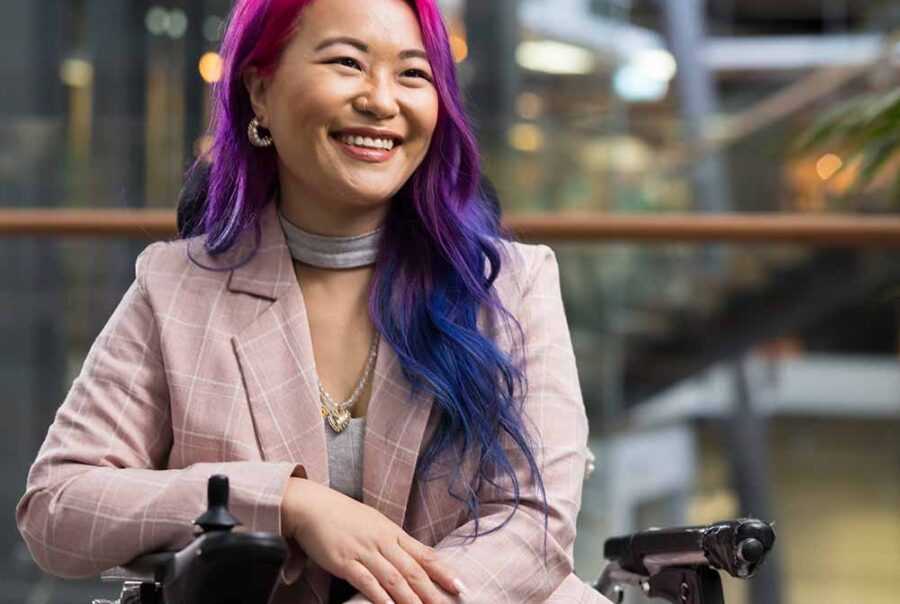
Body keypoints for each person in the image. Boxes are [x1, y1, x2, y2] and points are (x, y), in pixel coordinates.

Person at [16, 1, 606, 603]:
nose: (382, 100)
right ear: (260, 90)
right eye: (347, 63)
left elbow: (535, 526)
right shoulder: (175, 288)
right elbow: (57, 506)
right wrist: (284, 501)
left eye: (413, 73)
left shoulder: (512, 285)